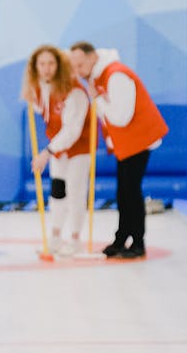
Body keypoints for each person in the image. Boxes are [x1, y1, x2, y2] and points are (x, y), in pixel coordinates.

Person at [68, 42, 168, 259]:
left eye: (80, 65)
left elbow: (120, 117)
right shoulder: (99, 77)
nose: (77, 72)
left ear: (93, 57)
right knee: (124, 192)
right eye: (73, 67)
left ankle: (138, 242)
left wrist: (97, 100)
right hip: (127, 142)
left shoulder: (116, 75)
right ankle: (122, 238)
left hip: (139, 139)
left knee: (131, 191)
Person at [21, 44, 91, 255]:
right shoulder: (40, 89)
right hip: (58, 150)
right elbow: (44, 111)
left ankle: (76, 239)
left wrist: (46, 153)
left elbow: (71, 131)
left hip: (79, 149)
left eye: (51, 63)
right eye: (42, 64)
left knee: (76, 193)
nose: (46, 68)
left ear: (59, 65)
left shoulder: (74, 91)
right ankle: (56, 235)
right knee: (58, 192)